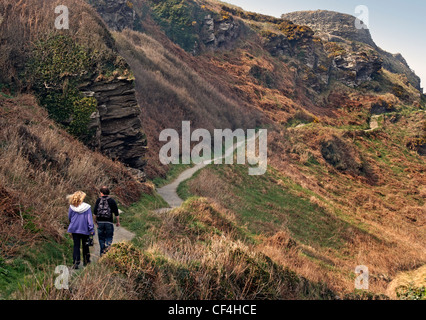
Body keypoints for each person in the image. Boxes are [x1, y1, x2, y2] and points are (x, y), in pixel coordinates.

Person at [67, 191, 95, 269]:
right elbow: (89, 219)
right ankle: (86, 261)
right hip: (84, 229)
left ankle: (76, 262)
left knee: (76, 246)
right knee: (85, 245)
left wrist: (72, 223)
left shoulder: (72, 206)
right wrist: (91, 229)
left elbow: (69, 217)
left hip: (74, 229)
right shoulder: (87, 207)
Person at [93, 186, 120, 256]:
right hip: (109, 222)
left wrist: (95, 221)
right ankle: (107, 253)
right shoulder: (112, 201)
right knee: (109, 237)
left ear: (101, 193)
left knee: (101, 238)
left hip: (100, 222)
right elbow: (116, 213)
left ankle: (102, 252)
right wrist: (118, 222)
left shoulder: (98, 200)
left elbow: (95, 213)